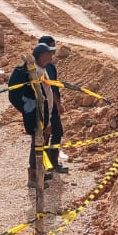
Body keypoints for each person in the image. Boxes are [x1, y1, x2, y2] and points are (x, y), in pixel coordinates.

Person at [8, 41, 68, 188]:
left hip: (43, 114)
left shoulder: (42, 69)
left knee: (40, 143)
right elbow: (40, 100)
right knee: (37, 144)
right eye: (48, 54)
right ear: (41, 56)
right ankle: (34, 178)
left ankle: (39, 172)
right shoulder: (36, 72)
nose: (51, 56)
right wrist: (46, 123)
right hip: (38, 115)